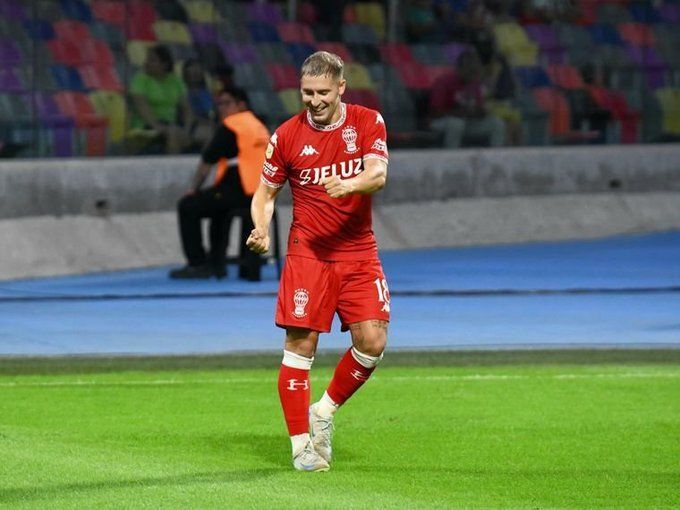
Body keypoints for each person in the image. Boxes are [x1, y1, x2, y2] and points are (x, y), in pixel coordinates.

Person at [247, 51, 391, 472]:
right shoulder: (287, 136)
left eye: (323, 92)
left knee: (373, 342)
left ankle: (323, 411)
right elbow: (265, 193)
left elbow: (378, 174)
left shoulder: (368, 122)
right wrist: (260, 228)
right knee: (300, 346)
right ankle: (301, 448)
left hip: (358, 251)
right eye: (307, 92)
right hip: (308, 253)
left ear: (341, 87)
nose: (314, 100)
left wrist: (349, 184)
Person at [169, 87, 270, 280]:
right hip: (262, 194)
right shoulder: (258, 126)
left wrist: (193, 189)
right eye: (220, 104)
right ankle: (217, 263)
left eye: (227, 103)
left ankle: (198, 264)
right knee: (217, 204)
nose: (222, 108)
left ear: (241, 105)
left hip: (242, 191)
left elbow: (207, 161)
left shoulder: (232, 125)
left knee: (188, 206)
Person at [429, 48, 506, 148]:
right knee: (456, 124)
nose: (472, 75)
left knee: (497, 123)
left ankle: (495, 155)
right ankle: (452, 155)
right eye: (469, 71)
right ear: (459, 69)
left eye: (475, 71)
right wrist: (460, 113)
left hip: (467, 122)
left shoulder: (474, 83)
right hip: (441, 122)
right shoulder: (444, 82)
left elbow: (477, 108)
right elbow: (435, 113)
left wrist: (481, 112)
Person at [129, 45, 194, 154]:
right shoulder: (140, 80)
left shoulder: (175, 81)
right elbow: (142, 108)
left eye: (152, 60)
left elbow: (187, 109)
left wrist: (187, 129)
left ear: (165, 64)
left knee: (207, 133)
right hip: (146, 126)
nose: (146, 63)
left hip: (170, 124)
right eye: (147, 59)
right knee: (173, 134)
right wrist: (160, 127)